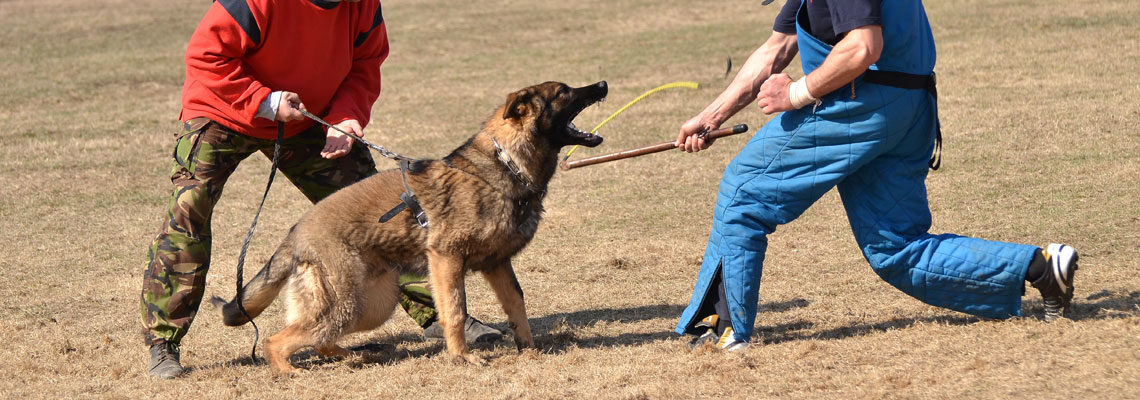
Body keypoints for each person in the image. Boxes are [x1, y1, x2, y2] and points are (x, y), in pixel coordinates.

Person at [673, 0, 1079, 351]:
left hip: (860, 105)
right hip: (908, 107)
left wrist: (795, 95)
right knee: (895, 249)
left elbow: (864, 47)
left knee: (743, 194)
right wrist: (710, 118)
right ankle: (1041, 268)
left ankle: (721, 331)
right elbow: (776, 49)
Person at [139, 0, 500, 379]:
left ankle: (438, 317)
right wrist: (264, 101)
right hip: (223, 110)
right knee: (187, 215)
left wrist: (346, 114)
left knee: (387, 213)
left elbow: (365, 62)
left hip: (308, 115)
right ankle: (164, 343)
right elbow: (206, 55)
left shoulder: (362, 5)